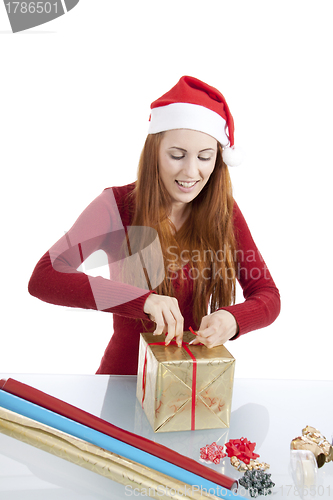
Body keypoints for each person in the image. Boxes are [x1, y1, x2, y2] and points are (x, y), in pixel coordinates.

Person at [28, 76, 280, 375]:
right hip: (124, 380)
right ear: (155, 153)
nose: (191, 171)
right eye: (176, 155)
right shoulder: (116, 206)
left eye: (204, 157)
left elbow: (267, 294)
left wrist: (233, 318)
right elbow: (45, 277)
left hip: (194, 386)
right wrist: (142, 301)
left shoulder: (223, 211)